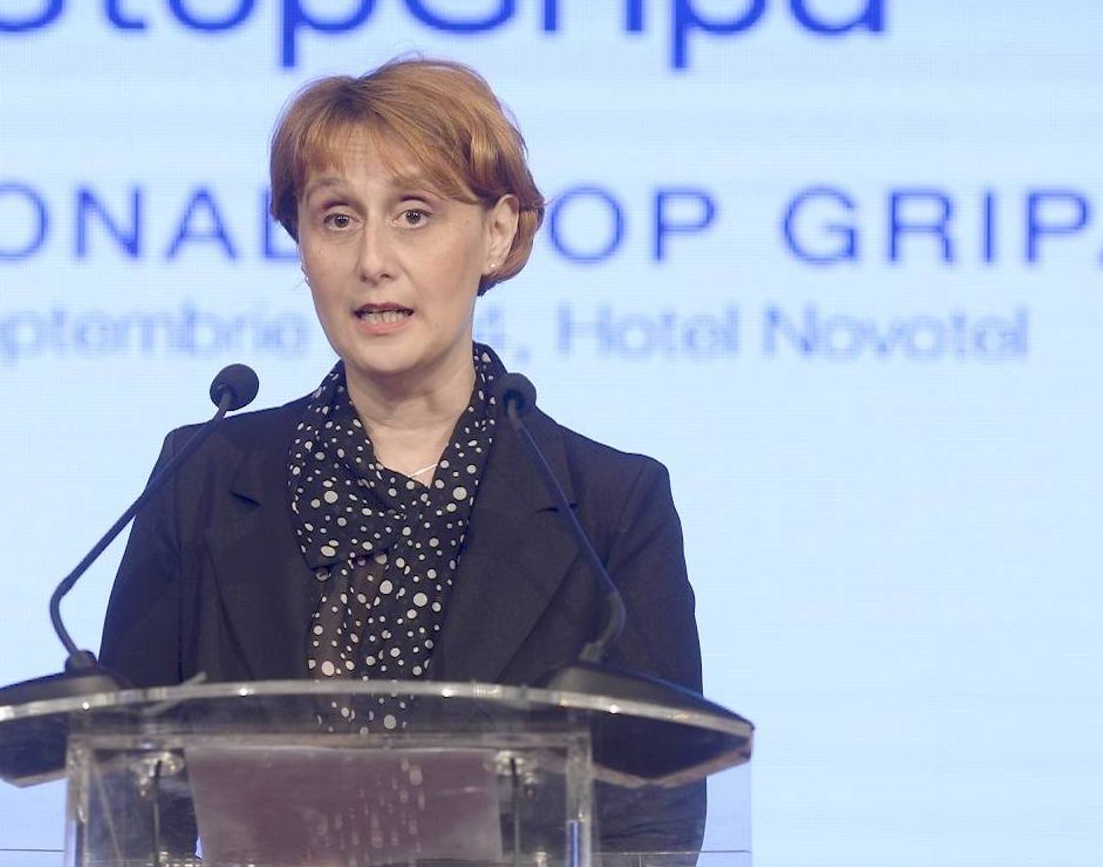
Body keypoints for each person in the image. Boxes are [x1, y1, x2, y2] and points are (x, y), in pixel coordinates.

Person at [100, 57, 704, 850]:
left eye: (414, 215)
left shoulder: (610, 508)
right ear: (301, 245)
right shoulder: (204, 476)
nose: (372, 260)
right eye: (337, 219)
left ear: (497, 233)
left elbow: (656, 826)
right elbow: (121, 801)